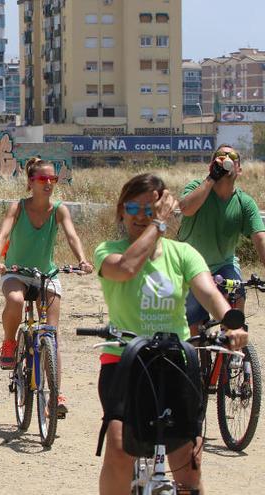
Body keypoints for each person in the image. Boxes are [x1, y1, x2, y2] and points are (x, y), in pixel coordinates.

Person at [93, 173, 249, 495]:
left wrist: (231, 321)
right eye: (133, 207)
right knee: (120, 447)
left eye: (151, 209)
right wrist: (159, 225)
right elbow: (125, 269)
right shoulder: (108, 250)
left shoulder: (183, 254)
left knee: (189, 466)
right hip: (125, 358)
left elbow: (207, 292)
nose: (141, 215)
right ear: (121, 210)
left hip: (176, 359)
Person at [0, 158, 92, 412]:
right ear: (30, 183)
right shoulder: (18, 207)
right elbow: (3, 234)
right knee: (14, 300)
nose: (48, 184)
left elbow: (71, 235)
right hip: (16, 272)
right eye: (43, 179)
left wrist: (82, 260)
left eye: (52, 179)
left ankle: (56, 394)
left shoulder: (59, 210)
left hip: (45, 274)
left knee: (50, 334)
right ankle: (9, 342)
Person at [178, 144, 265, 335]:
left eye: (231, 156)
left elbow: (260, 239)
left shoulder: (244, 202)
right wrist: (211, 178)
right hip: (190, 268)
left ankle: (232, 347)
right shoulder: (197, 187)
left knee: (237, 295)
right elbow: (186, 208)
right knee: (196, 333)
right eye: (220, 155)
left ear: (239, 169)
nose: (225, 158)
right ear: (211, 164)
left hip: (223, 265)